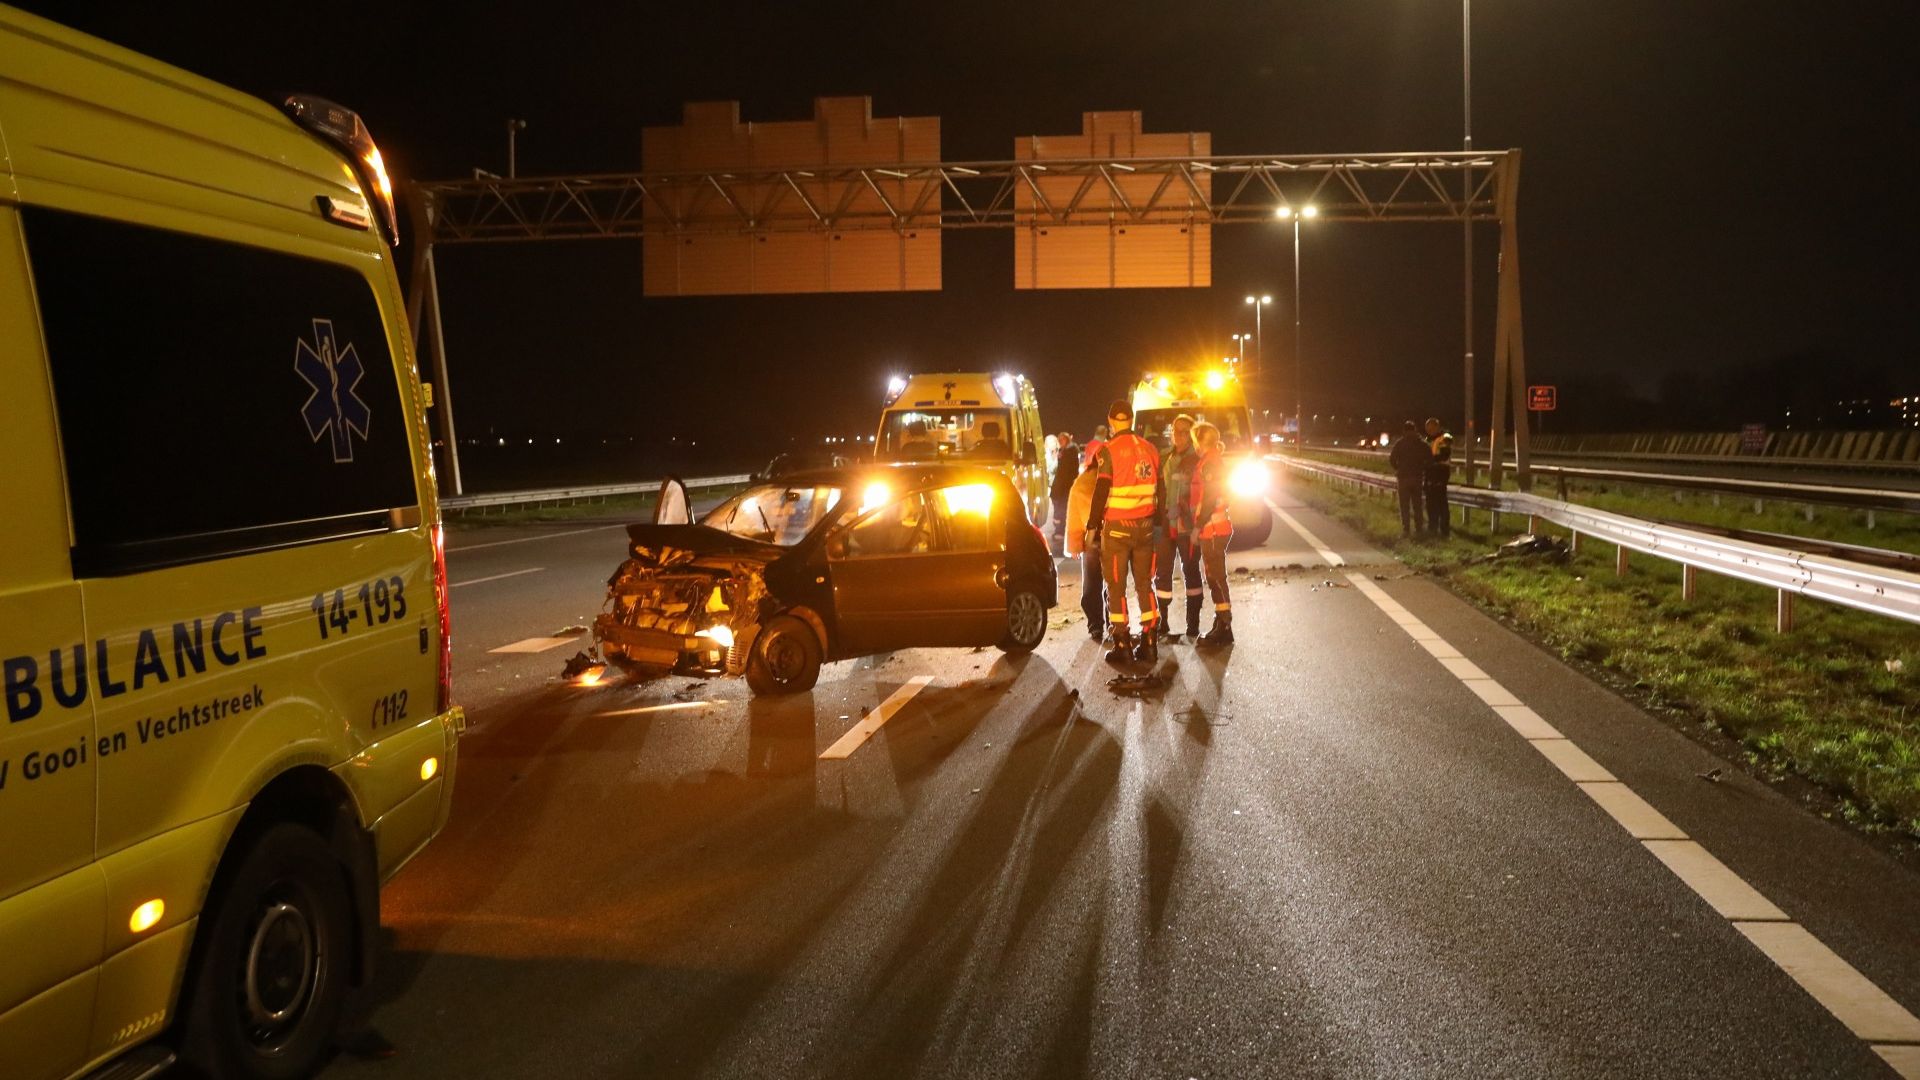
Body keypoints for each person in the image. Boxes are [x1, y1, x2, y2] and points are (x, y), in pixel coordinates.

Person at [1085, 400, 1163, 665]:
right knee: (1145, 584)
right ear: (1131, 419)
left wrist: (1092, 526)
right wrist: (1158, 523)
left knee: (1116, 587)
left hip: (1118, 530)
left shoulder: (1108, 451)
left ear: (1111, 421)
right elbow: (1161, 491)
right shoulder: (1151, 449)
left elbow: (1101, 490)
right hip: (1146, 528)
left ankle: (1122, 644)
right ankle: (1150, 642)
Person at [1153, 413, 1205, 641]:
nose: (1179, 436)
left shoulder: (1197, 459)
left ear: (1192, 435)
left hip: (1187, 525)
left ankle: (1193, 624)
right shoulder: (1164, 457)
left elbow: (1201, 492)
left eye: (1184, 432)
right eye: (1176, 431)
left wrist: (1183, 508)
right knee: (1162, 572)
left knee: (1191, 570)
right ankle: (1162, 621)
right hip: (1165, 523)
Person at [1192, 421, 1235, 645]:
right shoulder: (1214, 460)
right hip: (1217, 527)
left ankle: (1224, 625)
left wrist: (1197, 526)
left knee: (1215, 577)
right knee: (1216, 576)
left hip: (1213, 529)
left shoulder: (1210, 463)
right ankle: (1222, 622)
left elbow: (1208, 498)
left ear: (1200, 441)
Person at [1065, 456, 1106, 639]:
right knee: (1114, 584)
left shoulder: (1081, 482)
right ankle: (1115, 623)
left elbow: (1073, 516)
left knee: (1091, 582)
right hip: (1113, 536)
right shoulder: (1113, 477)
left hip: (1091, 539)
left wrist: (1075, 544)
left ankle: (1095, 624)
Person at [1388, 419, 1429, 538]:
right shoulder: (1421, 444)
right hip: (1417, 478)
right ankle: (1419, 529)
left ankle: (1406, 529)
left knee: (1404, 505)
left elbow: (1392, 459)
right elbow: (1429, 459)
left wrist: (1398, 468)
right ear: (1415, 430)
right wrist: (1422, 469)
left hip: (1403, 478)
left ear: (1404, 430)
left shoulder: (1400, 443)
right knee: (1417, 505)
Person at [1050, 430, 1080, 552]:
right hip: (1061, 486)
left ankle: (1060, 531)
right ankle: (1060, 530)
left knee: (1062, 509)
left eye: (1062, 440)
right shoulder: (1065, 451)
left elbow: (1067, 471)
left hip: (1064, 486)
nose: (1060, 442)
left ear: (1067, 440)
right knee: (1060, 508)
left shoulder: (1069, 451)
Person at [1424, 416, 1454, 538]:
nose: (1429, 431)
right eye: (1428, 429)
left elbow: (1444, 455)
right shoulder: (1427, 439)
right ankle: (1432, 528)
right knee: (1430, 503)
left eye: (1432, 428)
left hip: (1441, 473)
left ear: (1437, 427)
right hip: (1430, 473)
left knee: (1441, 503)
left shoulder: (1445, 437)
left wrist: (1429, 460)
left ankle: (1444, 531)